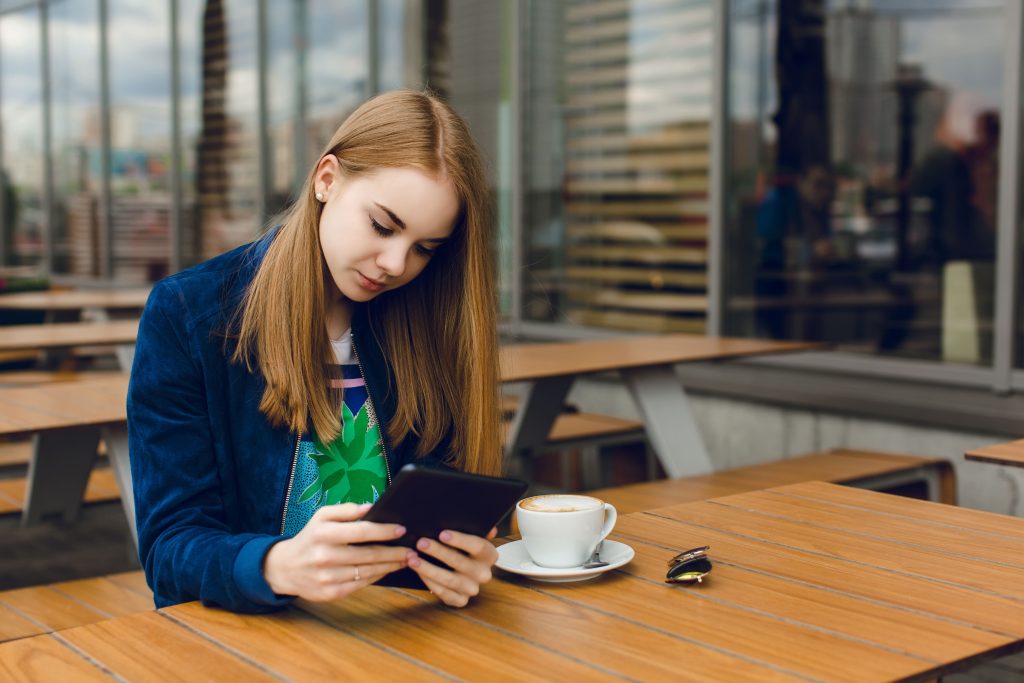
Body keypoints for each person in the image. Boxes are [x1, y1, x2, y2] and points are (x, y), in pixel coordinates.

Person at [127, 90, 502, 613]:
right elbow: (170, 547)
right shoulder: (189, 315)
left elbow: (442, 513)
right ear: (326, 179)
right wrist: (275, 565)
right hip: (242, 645)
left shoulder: (423, 321)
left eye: (424, 248)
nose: (396, 264)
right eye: (383, 225)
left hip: (401, 635)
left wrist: (460, 561)